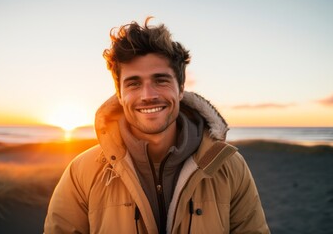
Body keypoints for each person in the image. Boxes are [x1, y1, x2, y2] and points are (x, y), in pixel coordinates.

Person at [44, 17, 270, 234]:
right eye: (133, 83)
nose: (148, 95)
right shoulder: (82, 172)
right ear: (119, 95)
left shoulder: (230, 167)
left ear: (181, 88)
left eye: (160, 80)